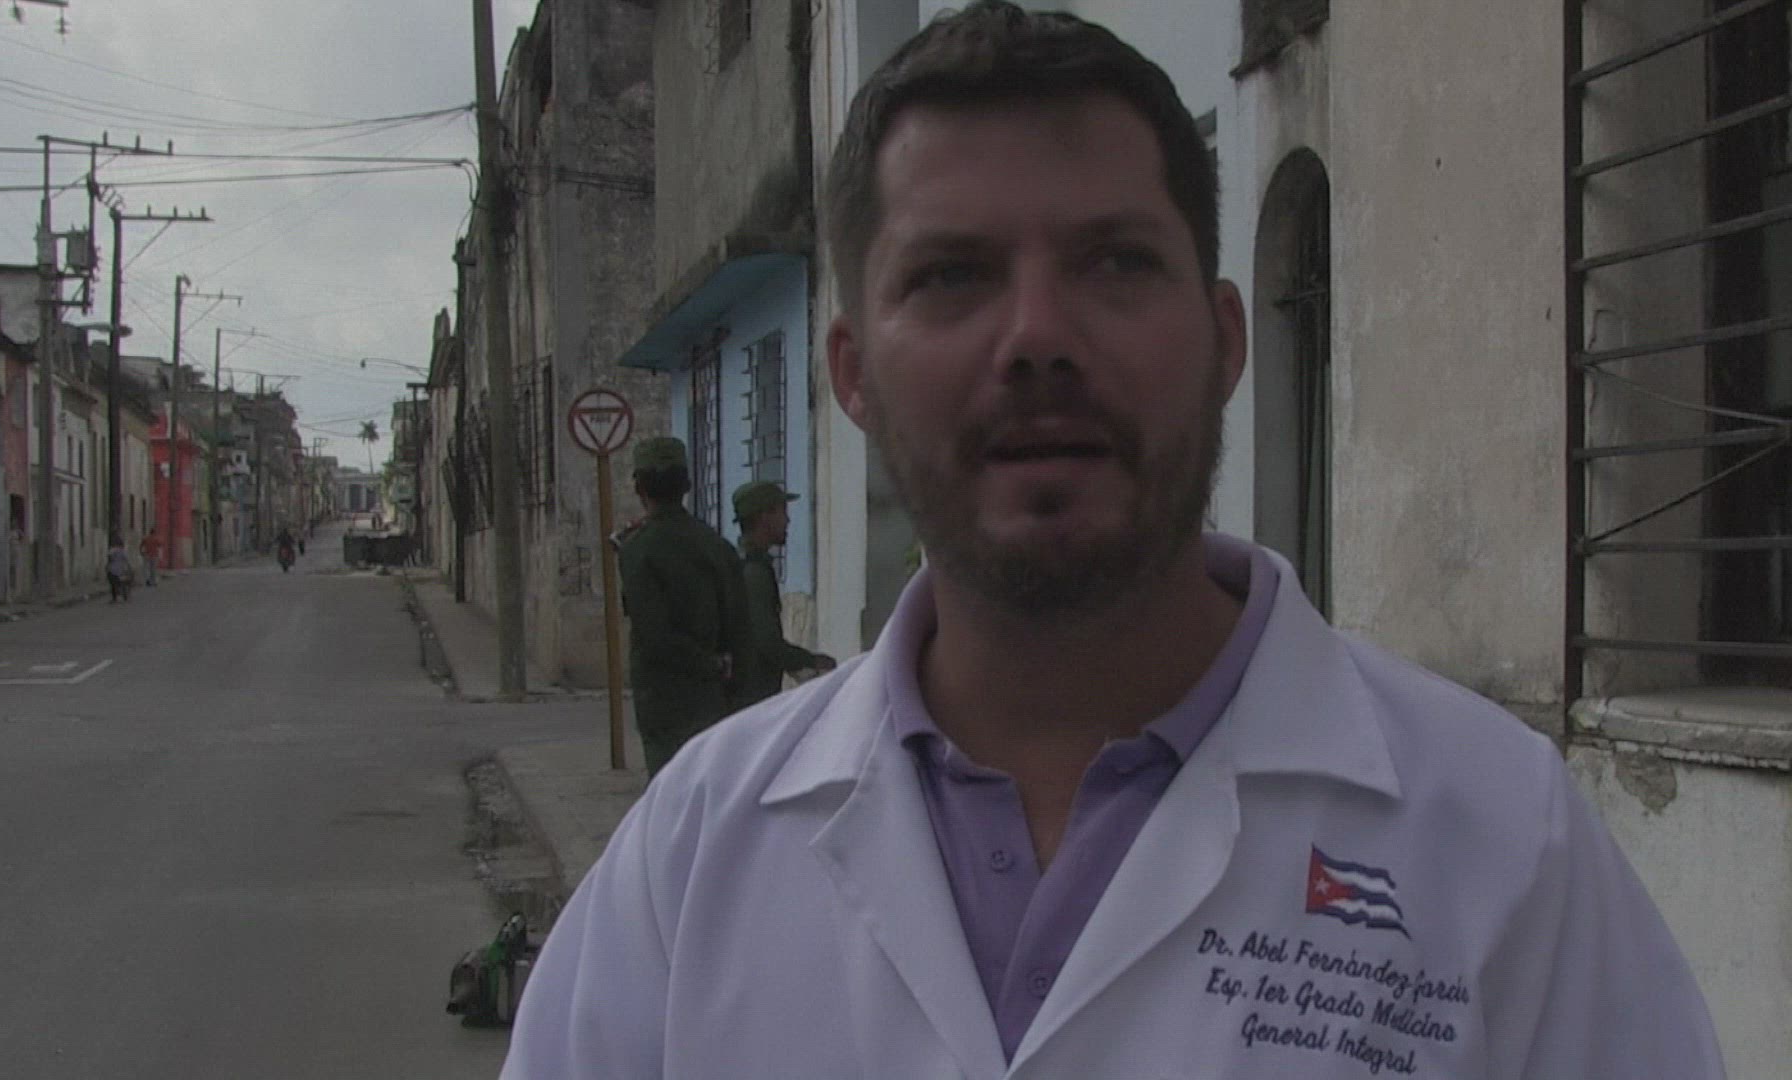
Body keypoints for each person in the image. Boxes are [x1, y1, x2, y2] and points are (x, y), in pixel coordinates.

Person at [500, 5, 1724, 1079]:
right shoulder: (694, 855)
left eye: (1116, 262)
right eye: (953, 276)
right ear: (852, 373)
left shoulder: (1503, 845)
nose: (1037, 336)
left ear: (1225, 340)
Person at [616, 436, 750, 777]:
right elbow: (740, 628)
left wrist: (705, 664)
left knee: (669, 791)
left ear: (640, 489)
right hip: (715, 697)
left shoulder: (638, 550)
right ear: (687, 486)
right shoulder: (717, 546)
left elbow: (653, 634)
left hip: (662, 698)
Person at [730, 480, 835, 709]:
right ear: (764, 516)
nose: (787, 520)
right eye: (782, 512)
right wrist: (809, 661)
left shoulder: (748, 565)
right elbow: (767, 642)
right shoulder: (753, 572)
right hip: (751, 699)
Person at [104, 535, 133, 604]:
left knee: (113, 584)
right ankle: (123, 593)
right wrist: (129, 567)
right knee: (123, 581)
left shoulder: (112, 550)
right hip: (121, 569)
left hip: (113, 569)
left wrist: (107, 567)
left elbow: (110, 559)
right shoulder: (123, 551)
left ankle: (114, 598)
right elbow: (126, 560)